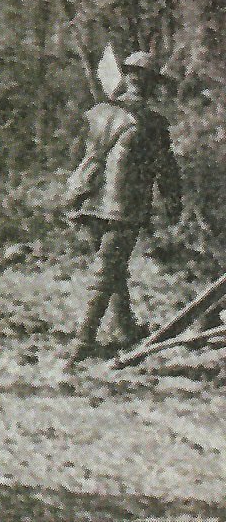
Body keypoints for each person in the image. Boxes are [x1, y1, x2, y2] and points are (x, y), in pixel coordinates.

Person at [63, 51, 182, 364]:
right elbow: (166, 167)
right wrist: (173, 200)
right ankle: (81, 346)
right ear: (151, 84)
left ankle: (125, 330)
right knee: (106, 273)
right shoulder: (154, 123)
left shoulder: (97, 112)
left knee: (111, 269)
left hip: (87, 201)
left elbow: (76, 154)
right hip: (122, 207)